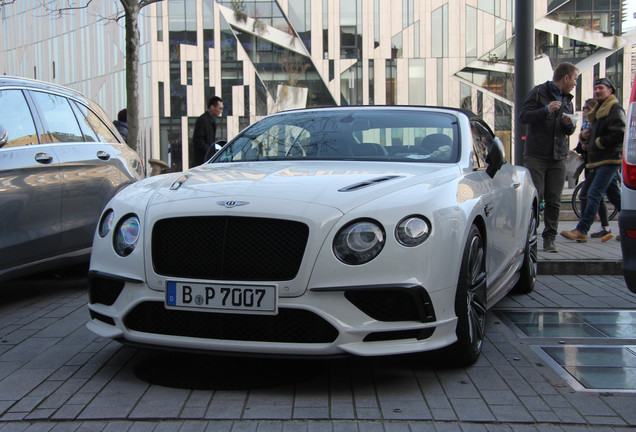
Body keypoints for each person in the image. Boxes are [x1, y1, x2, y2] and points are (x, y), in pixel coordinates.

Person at [519, 62, 579, 253]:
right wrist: (546, 110)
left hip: (559, 155)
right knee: (537, 196)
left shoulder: (568, 99)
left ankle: (550, 238)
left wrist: (570, 125)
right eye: (575, 80)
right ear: (566, 78)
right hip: (537, 154)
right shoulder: (539, 92)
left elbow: (567, 129)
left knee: (554, 199)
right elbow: (523, 116)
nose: (575, 84)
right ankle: (530, 235)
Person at [561, 77, 625, 243]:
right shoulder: (600, 110)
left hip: (609, 159)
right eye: (595, 88)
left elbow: (620, 133)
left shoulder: (614, 108)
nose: (597, 91)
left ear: (610, 91)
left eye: (601, 88)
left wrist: (598, 142)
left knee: (593, 193)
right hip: (601, 159)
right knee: (615, 196)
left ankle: (582, 230)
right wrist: (584, 137)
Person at [574, 98, 614, 240]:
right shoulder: (587, 124)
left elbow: (605, 140)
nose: (583, 110)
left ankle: (582, 229)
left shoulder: (598, 122)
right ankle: (606, 227)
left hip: (599, 163)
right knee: (607, 195)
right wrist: (583, 143)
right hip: (592, 163)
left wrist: (590, 144)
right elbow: (581, 146)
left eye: (585, 107)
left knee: (588, 194)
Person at [191, 96, 223, 167]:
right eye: (219, 108)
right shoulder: (202, 120)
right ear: (212, 107)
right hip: (201, 161)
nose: (221, 111)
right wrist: (210, 151)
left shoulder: (211, 121)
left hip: (206, 160)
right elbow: (198, 140)